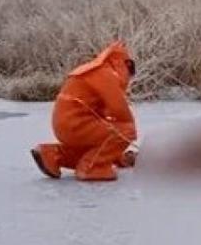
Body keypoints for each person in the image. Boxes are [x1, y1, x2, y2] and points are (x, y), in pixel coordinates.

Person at [31, 40, 139, 182]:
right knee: (126, 130)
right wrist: (128, 134)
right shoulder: (106, 75)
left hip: (67, 125)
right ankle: (93, 168)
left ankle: (52, 154)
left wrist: (118, 156)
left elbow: (105, 120)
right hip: (77, 125)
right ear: (125, 65)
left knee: (95, 148)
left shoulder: (94, 70)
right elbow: (119, 111)